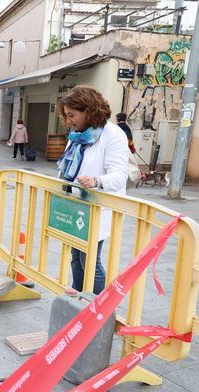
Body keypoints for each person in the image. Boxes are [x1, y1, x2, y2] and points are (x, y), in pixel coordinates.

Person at [57, 86, 129, 294]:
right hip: (78, 205)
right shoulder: (77, 135)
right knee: (76, 257)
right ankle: (77, 299)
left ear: (88, 110)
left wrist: (96, 181)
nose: (69, 121)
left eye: (72, 115)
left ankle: (96, 309)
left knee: (89, 260)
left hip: (99, 208)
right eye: (66, 116)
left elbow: (118, 175)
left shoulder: (113, 135)